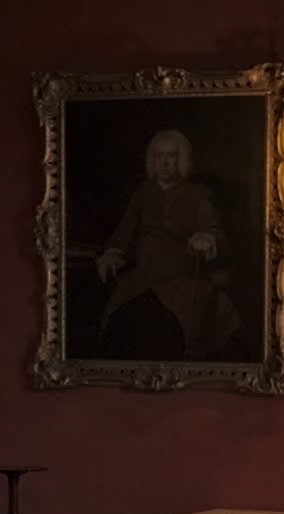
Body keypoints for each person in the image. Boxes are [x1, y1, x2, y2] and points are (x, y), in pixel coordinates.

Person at [90, 128, 241, 359]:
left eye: (171, 156)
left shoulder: (198, 193)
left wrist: (205, 238)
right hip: (143, 277)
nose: (165, 162)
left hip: (183, 281)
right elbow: (125, 230)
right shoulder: (143, 192)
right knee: (119, 322)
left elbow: (213, 228)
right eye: (160, 156)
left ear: (181, 160)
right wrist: (112, 252)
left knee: (172, 329)